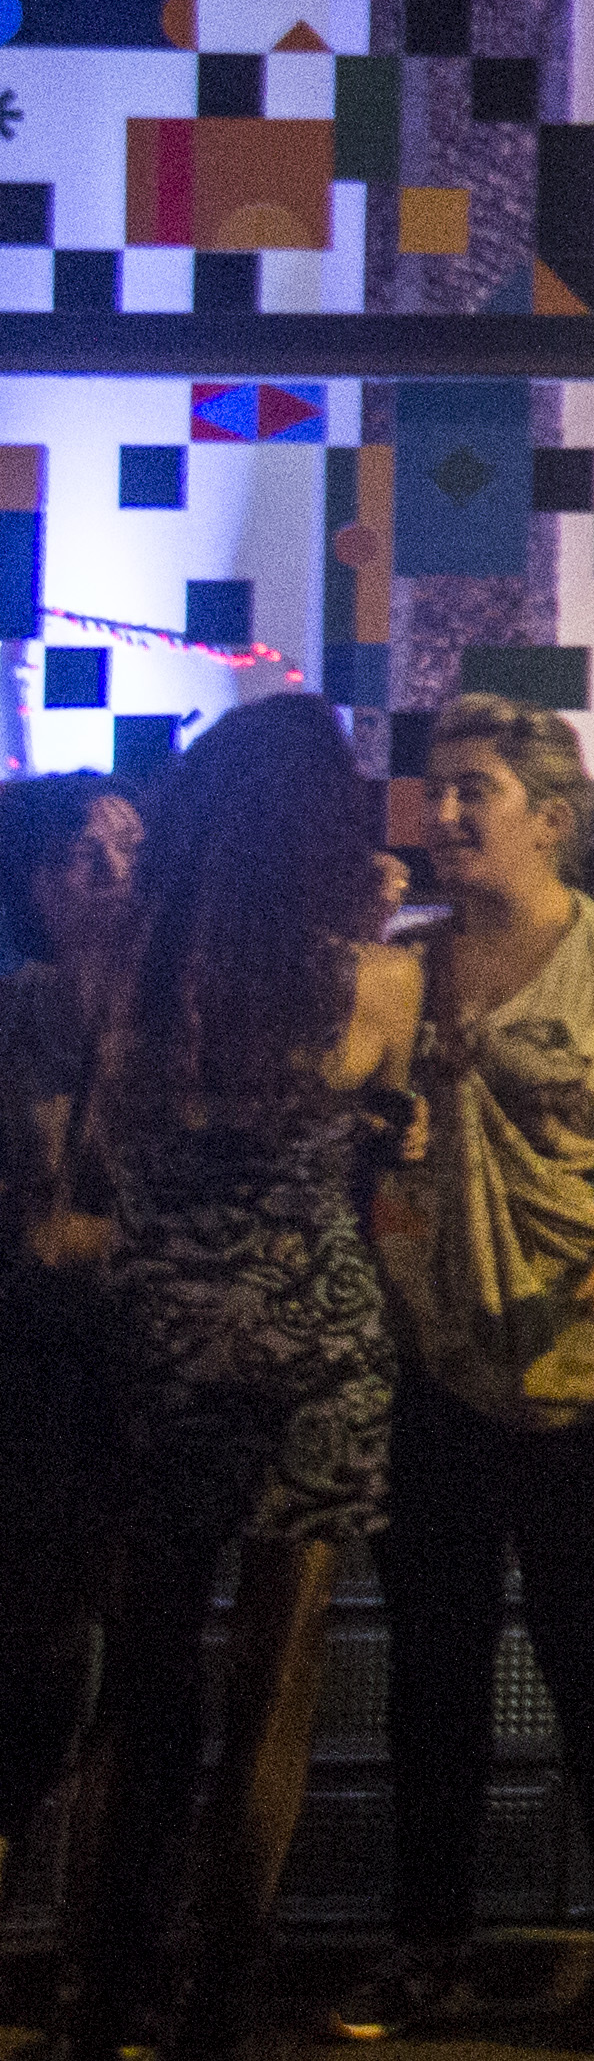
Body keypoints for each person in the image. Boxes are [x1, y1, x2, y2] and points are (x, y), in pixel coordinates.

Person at [318, 699, 594, 2046]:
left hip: (582, 1365)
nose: (444, 816)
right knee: (432, 1663)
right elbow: (325, 1092)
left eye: (474, 792)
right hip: (431, 1357)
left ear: (551, 820)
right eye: (435, 790)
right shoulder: (404, 967)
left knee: (590, 1652)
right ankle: (429, 1941)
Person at [40, 697, 420, 2061]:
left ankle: (89, 2018)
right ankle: (212, 2019)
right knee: (274, 1691)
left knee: (139, 1689)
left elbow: (92, 1164)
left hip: (156, 1352)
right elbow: (381, 1110)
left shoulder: (127, 970)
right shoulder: (376, 987)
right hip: (314, 1347)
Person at [0, 771, 138, 1902]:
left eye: (131, 847)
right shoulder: (19, 1018)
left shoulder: (183, 1016)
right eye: (83, 855)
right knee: (39, 1624)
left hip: (153, 1357)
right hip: (37, 1363)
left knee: (136, 1638)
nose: (113, 872)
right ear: (37, 884)